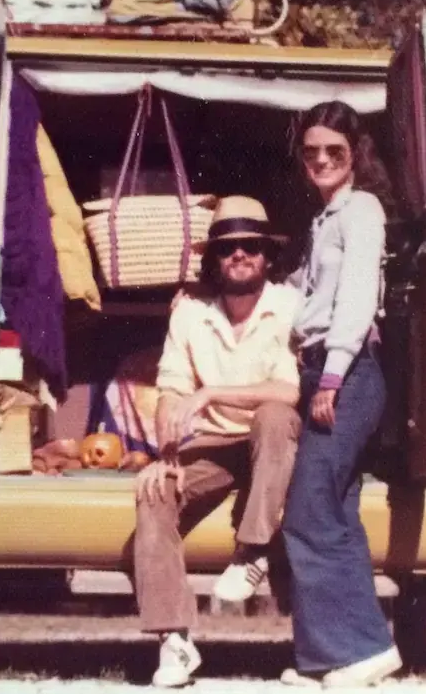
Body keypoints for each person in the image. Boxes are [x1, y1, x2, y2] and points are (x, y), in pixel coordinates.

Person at [132, 195, 302, 688]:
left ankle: (251, 554)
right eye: (228, 248)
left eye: (251, 246)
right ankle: (174, 643)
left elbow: (289, 391)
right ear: (214, 260)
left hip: (275, 444)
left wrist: (212, 392)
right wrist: (165, 454)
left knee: (271, 417)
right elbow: (171, 386)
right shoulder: (190, 314)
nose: (240, 255)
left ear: (268, 256)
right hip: (215, 445)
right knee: (154, 492)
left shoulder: (288, 306)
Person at [279, 101, 403, 687]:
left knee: (308, 510)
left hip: (347, 375)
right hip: (322, 369)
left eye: (334, 150)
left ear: (355, 153)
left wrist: (331, 377)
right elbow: (304, 294)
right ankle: (330, 658)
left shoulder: (363, 211)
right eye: (311, 153)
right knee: (335, 513)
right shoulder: (325, 219)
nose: (321, 161)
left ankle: (364, 649)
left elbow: (355, 298)